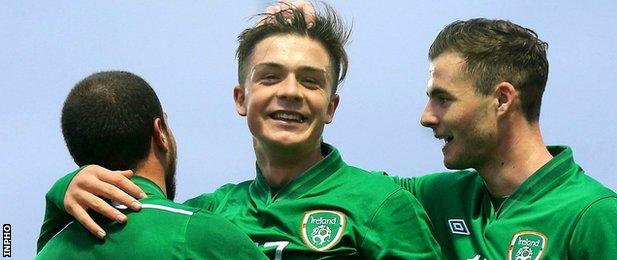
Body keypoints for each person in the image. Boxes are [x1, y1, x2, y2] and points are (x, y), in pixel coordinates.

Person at [37, 5, 442, 260]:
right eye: (270, 77)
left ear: (331, 107)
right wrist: (65, 190)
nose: (289, 92)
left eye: (311, 81)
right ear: (241, 99)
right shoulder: (208, 214)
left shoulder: (382, 204)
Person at [387, 19, 617, 259]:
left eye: (443, 99)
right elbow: (352, 193)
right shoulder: (437, 198)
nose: (426, 117)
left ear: (501, 99)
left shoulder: (594, 215)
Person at [36, 71, 266, 259]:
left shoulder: (53, 248)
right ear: (160, 133)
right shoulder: (201, 232)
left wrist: (57, 196)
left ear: (79, 159)